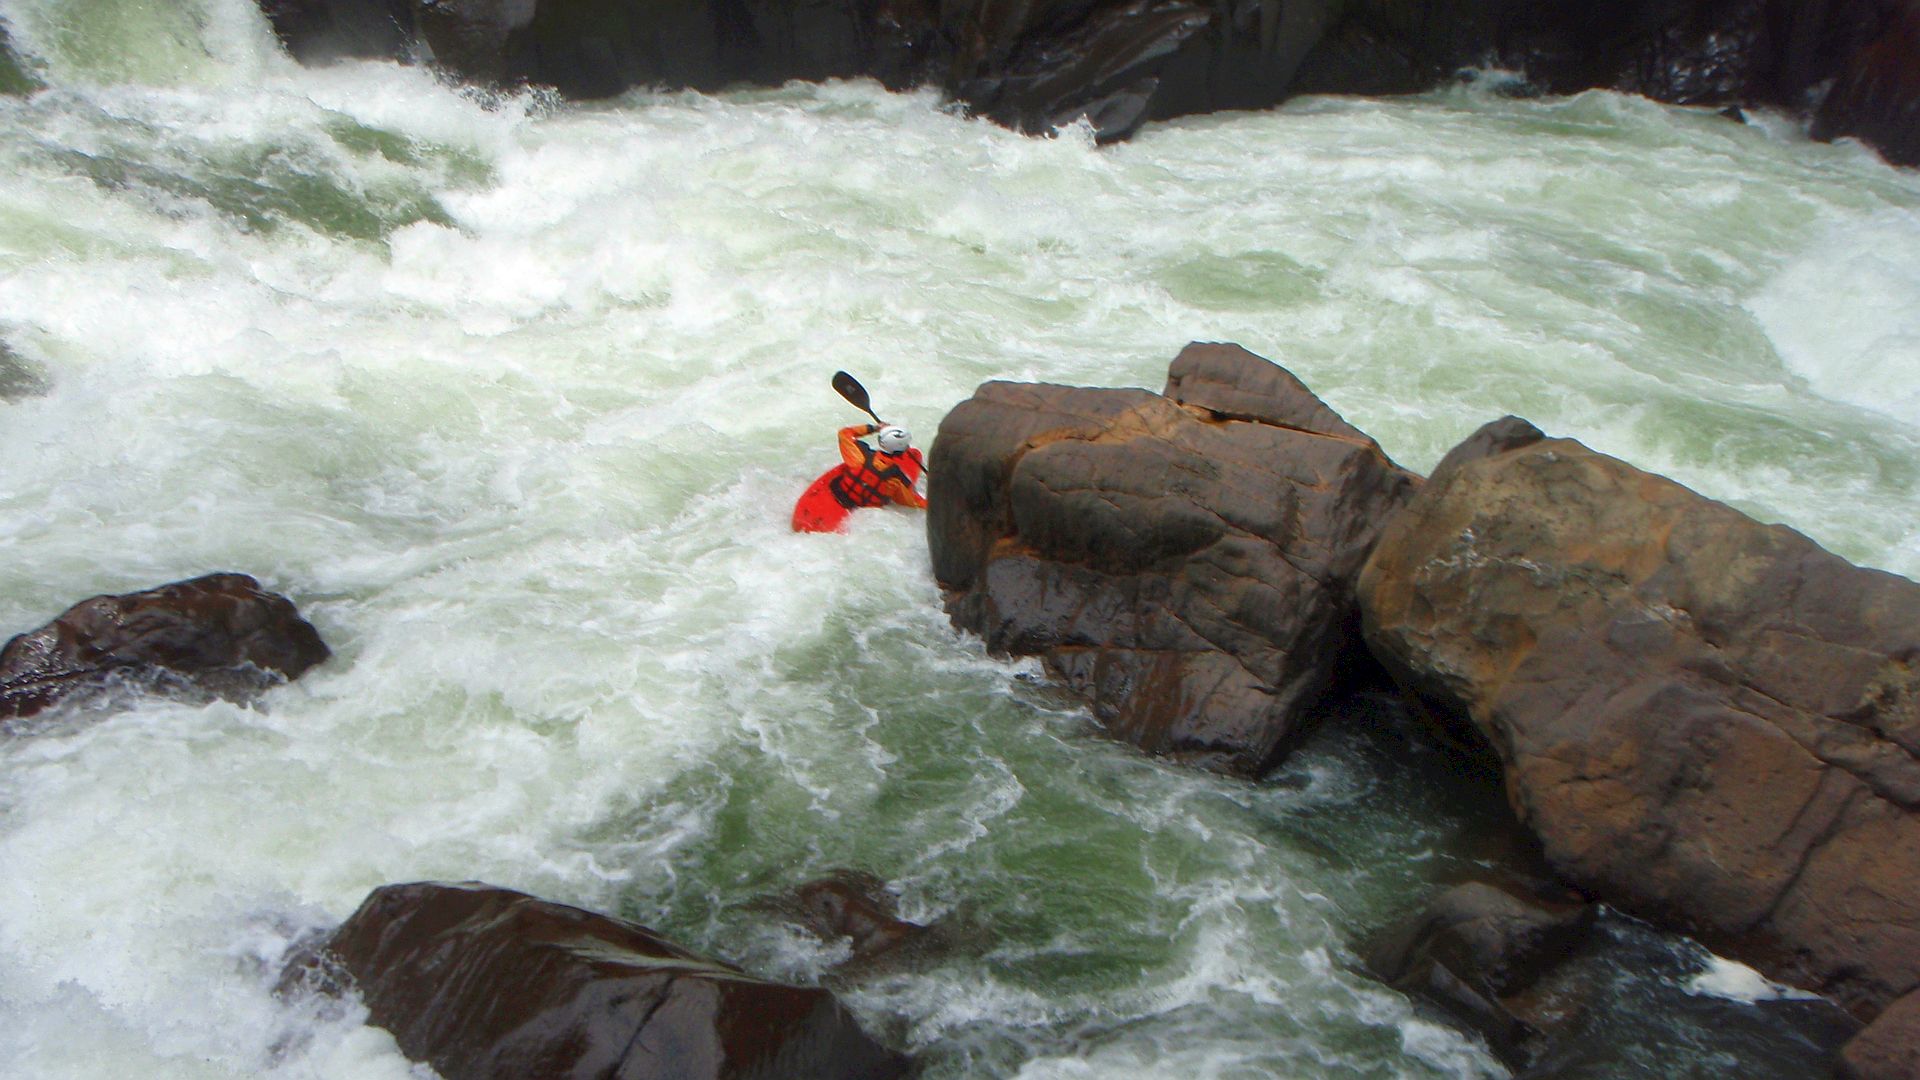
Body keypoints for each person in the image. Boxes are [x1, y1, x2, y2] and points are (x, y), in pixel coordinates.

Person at [791, 423, 926, 532]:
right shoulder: (897, 479)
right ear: (902, 449)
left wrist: (874, 428)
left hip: (839, 493)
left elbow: (844, 433)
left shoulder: (859, 457)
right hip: (860, 509)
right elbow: (911, 501)